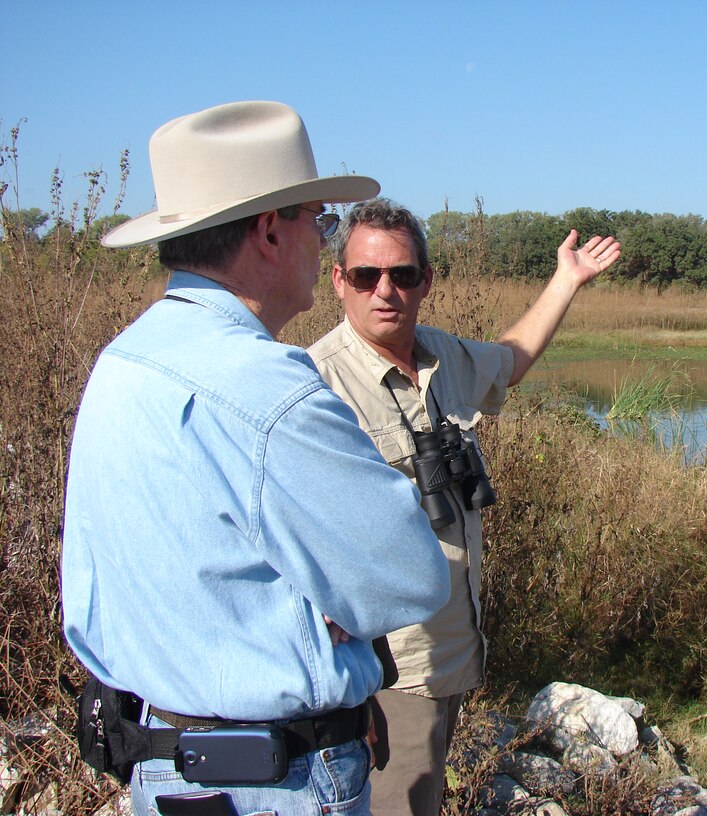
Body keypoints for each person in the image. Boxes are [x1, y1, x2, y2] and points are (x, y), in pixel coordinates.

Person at [62, 102, 450, 816]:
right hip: (277, 784)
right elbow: (412, 577)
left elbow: (99, 597)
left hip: (161, 767)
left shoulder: (122, 363)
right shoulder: (266, 390)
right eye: (321, 221)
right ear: (272, 230)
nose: (322, 241)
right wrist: (324, 598)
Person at [308, 198, 620, 816]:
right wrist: (346, 693)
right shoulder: (316, 385)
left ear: (427, 280)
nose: (385, 290)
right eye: (367, 276)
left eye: (403, 274)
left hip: (451, 647)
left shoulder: (441, 356)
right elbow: (300, 555)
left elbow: (511, 359)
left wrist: (567, 279)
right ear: (339, 281)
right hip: (387, 673)